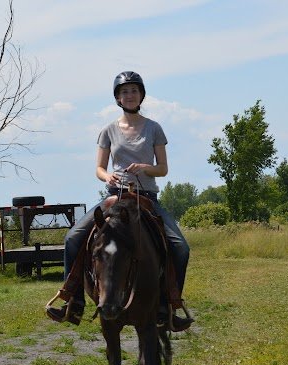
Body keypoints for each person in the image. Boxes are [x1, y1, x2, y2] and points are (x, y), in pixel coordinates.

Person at [46, 71, 193, 331]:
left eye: (134, 90)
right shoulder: (108, 131)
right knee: (72, 238)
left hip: (146, 197)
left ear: (141, 95)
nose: (130, 95)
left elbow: (163, 169)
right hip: (115, 196)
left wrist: (145, 168)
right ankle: (73, 299)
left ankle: (169, 303)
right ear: (118, 98)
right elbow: (99, 169)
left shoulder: (154, 128)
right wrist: (108, 176)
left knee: (180, 247)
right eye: (124, 91)